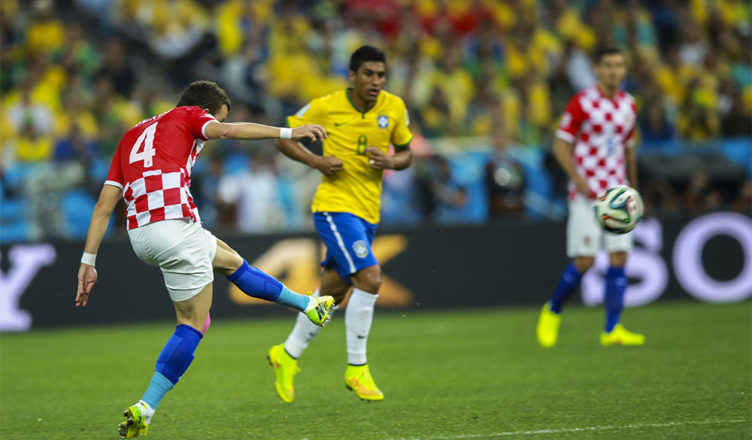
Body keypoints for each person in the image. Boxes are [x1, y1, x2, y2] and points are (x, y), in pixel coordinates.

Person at [74, 80, 335, 438]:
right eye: (217, 118)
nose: (212, 131)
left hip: (142, 234)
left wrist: (88, 261)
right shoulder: (190, 115)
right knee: (194, 323)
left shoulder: (132, 134)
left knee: (230, 260)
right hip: (173, 227)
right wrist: (291, 131)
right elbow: (227, 131)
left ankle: (309, 306)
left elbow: (104, 206)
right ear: (206, 111)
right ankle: (146, 406)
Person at [268, 45, 413, 402]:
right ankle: (357, 368)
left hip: (368, 213)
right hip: (334, 208)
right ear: (352, 76)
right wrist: (316, 162)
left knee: (332, 294)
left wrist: (391, 162)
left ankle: (286, 354)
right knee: (370, 278)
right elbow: (282, 137)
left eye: (381, 75)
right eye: (368, 74)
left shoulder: (394, 108)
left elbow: (406, 154)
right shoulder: (325, 106)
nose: (376, 81)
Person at [536, 48, 646, 348]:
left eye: (618, 65)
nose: (613, 70)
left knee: (619, 257)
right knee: (585, 260)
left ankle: (612, 329)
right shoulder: (582, 103)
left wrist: (635, 191)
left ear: (624, 70)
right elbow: (560, 145)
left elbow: (628, 150)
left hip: (618, 195)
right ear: (596, 70)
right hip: (587, 194)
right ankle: (553, 310)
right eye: (608, 65)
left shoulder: (629, 104)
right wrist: (577, 178)